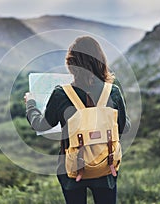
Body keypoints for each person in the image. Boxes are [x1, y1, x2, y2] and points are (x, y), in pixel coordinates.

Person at [25, 36, 130, 204]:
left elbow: (41, 124)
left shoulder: (61, 94)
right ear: (101, 61)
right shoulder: (113, 92)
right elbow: (124, 128)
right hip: (106, 166)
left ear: (71, 64)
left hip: (72, 171)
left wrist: (30, 104)